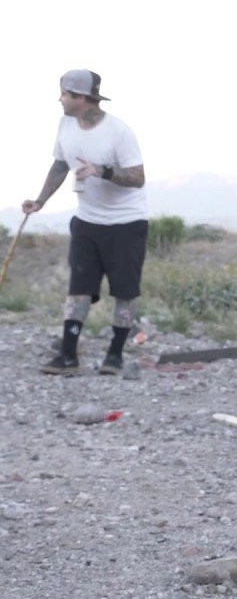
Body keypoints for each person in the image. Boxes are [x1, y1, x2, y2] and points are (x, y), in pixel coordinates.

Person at [22, 70, 148, 376]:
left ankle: (114, 356)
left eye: (64, 94)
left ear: (80, 98)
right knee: (78, 288)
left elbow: (137, 178)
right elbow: (60, 164)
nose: (60, 99)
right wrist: (40, 201)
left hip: (126, 223)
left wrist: (102, 171)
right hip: (87, 221)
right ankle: (68, 356)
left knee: (124, 291)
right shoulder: (65, 125)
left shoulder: (119, 132)